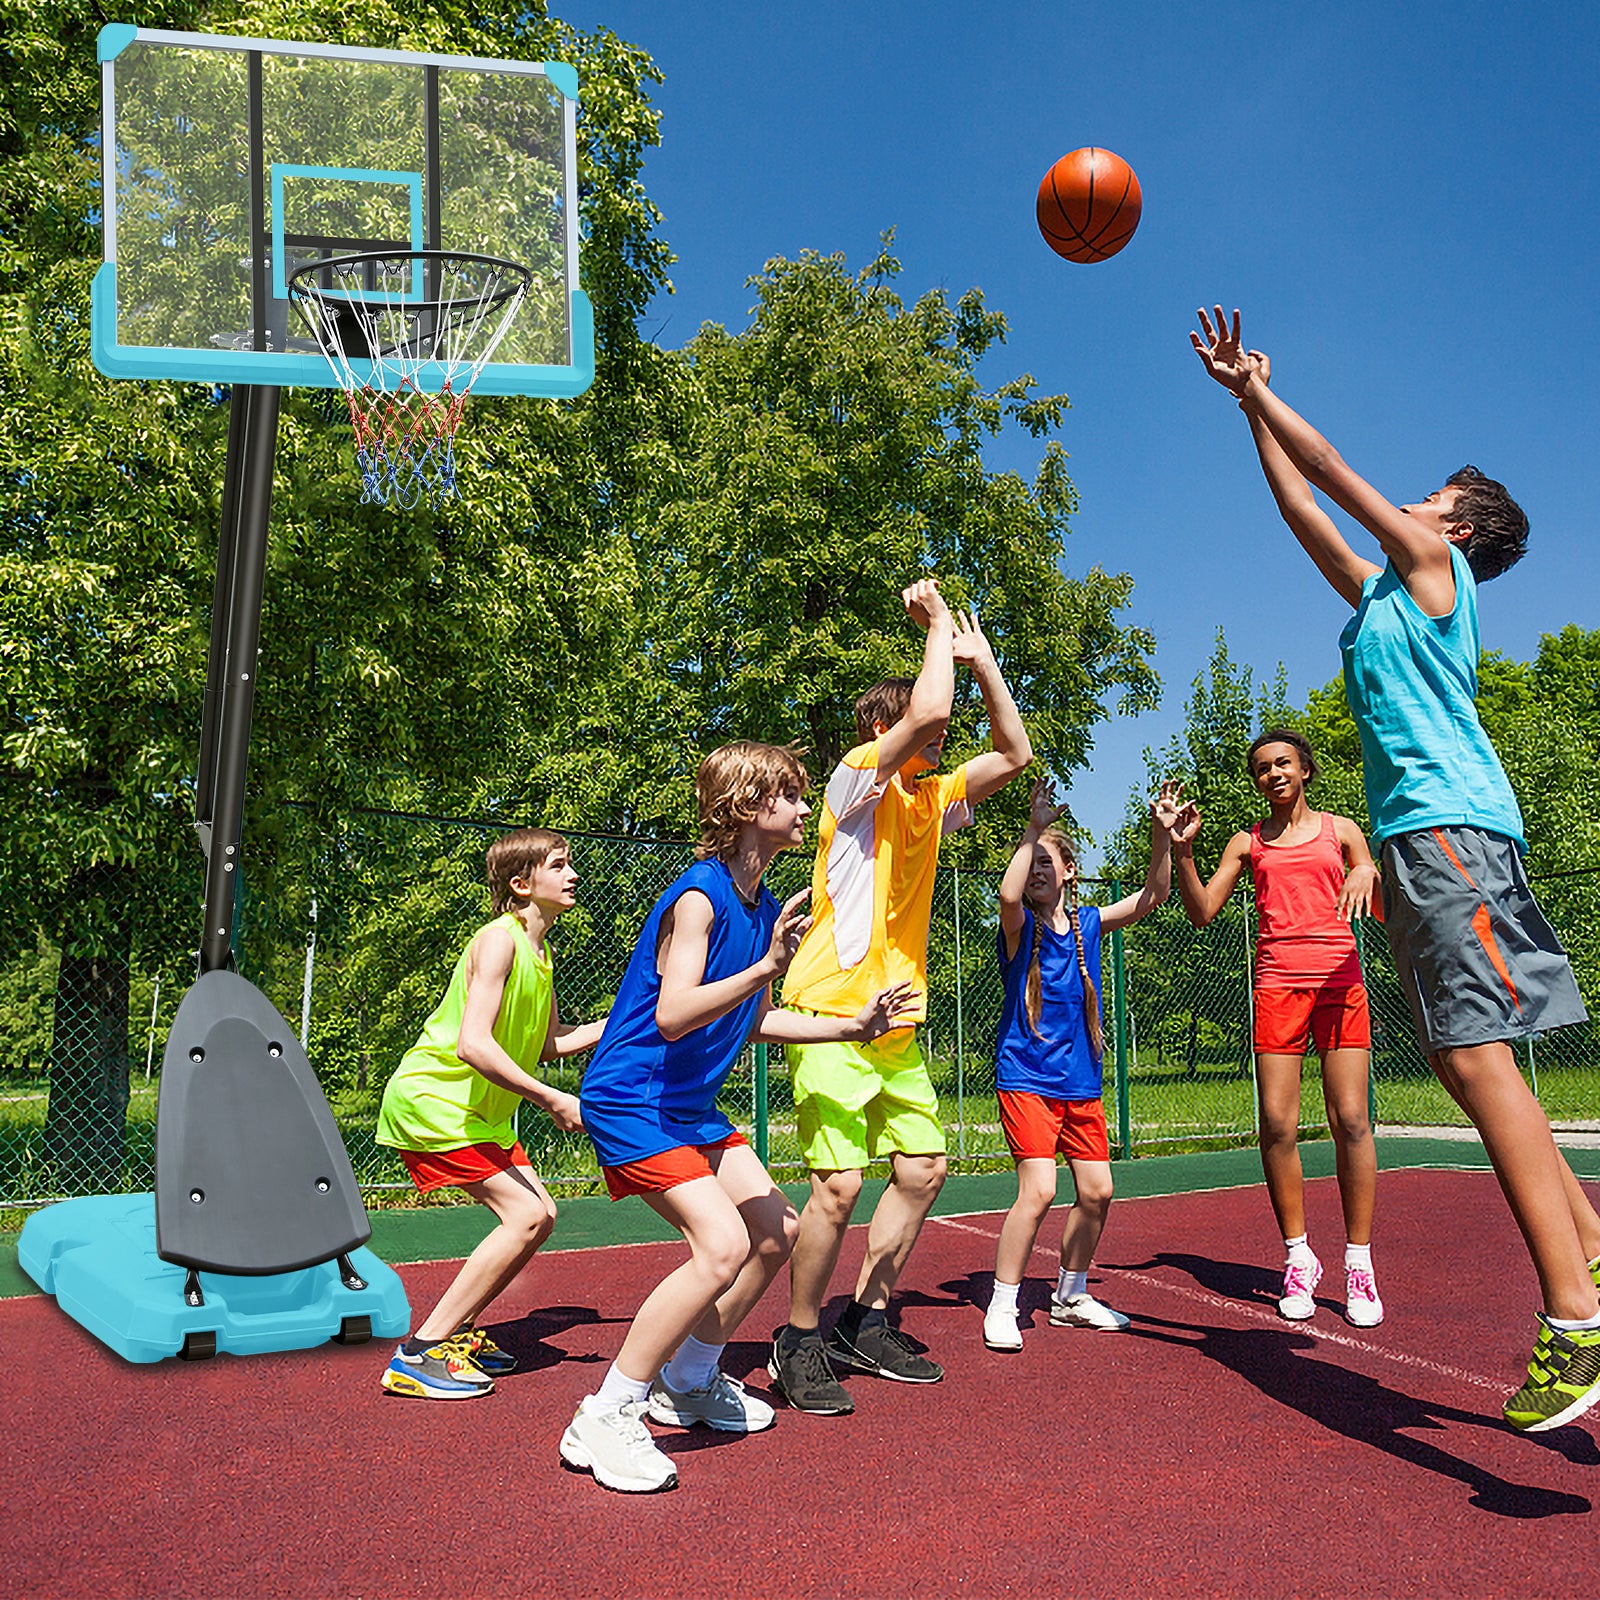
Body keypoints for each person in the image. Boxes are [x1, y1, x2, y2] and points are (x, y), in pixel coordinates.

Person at [1192, 306, 1600, 1431]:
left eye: (1427, 497)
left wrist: (1260, 387)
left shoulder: (1434, 570)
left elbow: (1331, 464)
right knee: (1479, 1063)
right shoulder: (1380, 595)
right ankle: (1596, 1259)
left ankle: (1572, 1321)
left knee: (1474, 1065)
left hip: (1448, 836)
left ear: (1457, 529)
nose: (1409, 503)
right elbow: (1299, 499)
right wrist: (1246, 411)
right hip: (1436, 845)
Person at [560, 742, 916, 1493]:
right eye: (788, 795)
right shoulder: (700, 897)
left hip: (686, 1105)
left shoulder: (759, 911)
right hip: (633, 1098)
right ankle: (606, 1412)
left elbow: (755, 1024)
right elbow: (675, 1012)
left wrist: (854, 1028)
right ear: (750, 806)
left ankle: (687, 1380)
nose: (801, 806)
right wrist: (765, 970)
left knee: (777, 1231)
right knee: (719, 1245)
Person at [769, 579, 1033, 1415]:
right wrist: (934, 631)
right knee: (838, 1189)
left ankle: (866, 1318)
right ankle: (798, 1337)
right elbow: (932, 719)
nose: (931, 735)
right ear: (885, 733)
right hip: (829, 1016)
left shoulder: (929, 798)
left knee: (923, 1170)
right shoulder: (853, 786)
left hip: (896, 1021)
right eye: (914, 727)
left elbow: (1014, 753)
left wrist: (984, 661)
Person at [374, 827, 604, 1399]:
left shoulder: (542, 950)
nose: (571, 874)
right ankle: (420, 1353)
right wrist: (551, 1098)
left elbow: (549, 1042)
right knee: (525, 1217)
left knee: (541, 1215)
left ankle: (459, 1333)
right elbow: (473, 1044)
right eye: (559, 865)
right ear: (523, 884)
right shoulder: (498, 941)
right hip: (437, 1101)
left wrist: (630, 1020)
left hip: (480, 1113)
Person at [1170, 730, 1384, 1327]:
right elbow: (1201, 910)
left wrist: (1364, 870)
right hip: (1277, 986)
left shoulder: (1342, 831)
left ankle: (1359, 1262)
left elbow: (1365, 869)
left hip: (1340, 982)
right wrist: (1183, 852)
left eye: (1283, 763)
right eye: (1262, 768)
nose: (1274, 774)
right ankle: (1298, 1257)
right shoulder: (1247, 842)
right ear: (1257, 780)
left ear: (1305, 770)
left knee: (1351, 1119)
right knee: (1277, 1124)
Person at [983, 776, 1179, 1352]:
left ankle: (1070, 1296)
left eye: (1048, 861)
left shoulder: (1090, 925)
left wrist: (1161, 837)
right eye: (1031, 861)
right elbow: (1007, 896)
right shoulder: (1021, 930)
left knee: (1098, 1192)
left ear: (1071, 871)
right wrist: (1032, 830)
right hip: (1027, 1078)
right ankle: (1002, 1302)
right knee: (1038, 1190)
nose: (1037, 869)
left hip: (1080, 1083)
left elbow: (1152, 897)